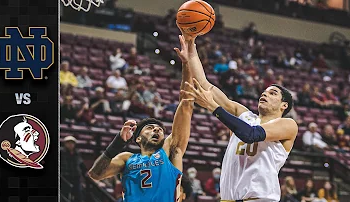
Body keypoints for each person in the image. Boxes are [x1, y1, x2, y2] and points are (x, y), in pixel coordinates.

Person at [175, 29, 298, 201]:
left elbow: (251, 134)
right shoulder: (245, 115)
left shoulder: (287, 125)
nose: (264, 94)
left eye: (272, 93)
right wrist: (191, 49)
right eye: (264, 92)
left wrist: (213, 107)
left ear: (284, 105)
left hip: (260, 199)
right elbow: (205, 85)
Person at [88, 40, 194, 202]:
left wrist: (187, 64)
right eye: (150, 128)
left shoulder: (170, 150)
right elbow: (95, 174)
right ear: (137, 138)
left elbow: (186, 104)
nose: (157, 130)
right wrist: (117, 143)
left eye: (159, 129)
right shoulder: (126, 158)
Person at [61, 136, 87, 202]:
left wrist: (85, 173)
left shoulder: (77, 153)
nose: (70, 144)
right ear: (65, 144)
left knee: (78, 196)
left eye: (72, 143)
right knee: (65, 194)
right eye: (68, 143)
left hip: (76, 177)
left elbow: (81, 164)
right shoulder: (61, 152)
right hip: (64, 177)